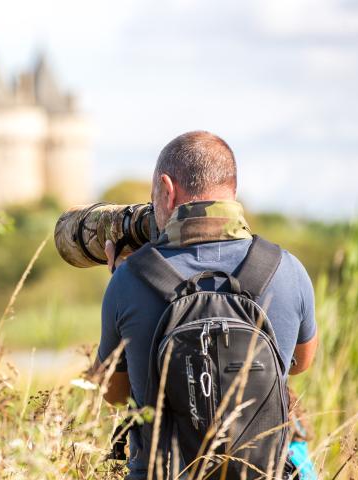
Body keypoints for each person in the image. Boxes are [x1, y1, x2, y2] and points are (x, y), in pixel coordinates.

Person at [93, 131, 319, 479]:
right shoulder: (286, 269)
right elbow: (300, 363)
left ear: (167, 190)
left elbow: (113, 391)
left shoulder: (130, 281)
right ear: (233, 189)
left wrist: (122, 278)